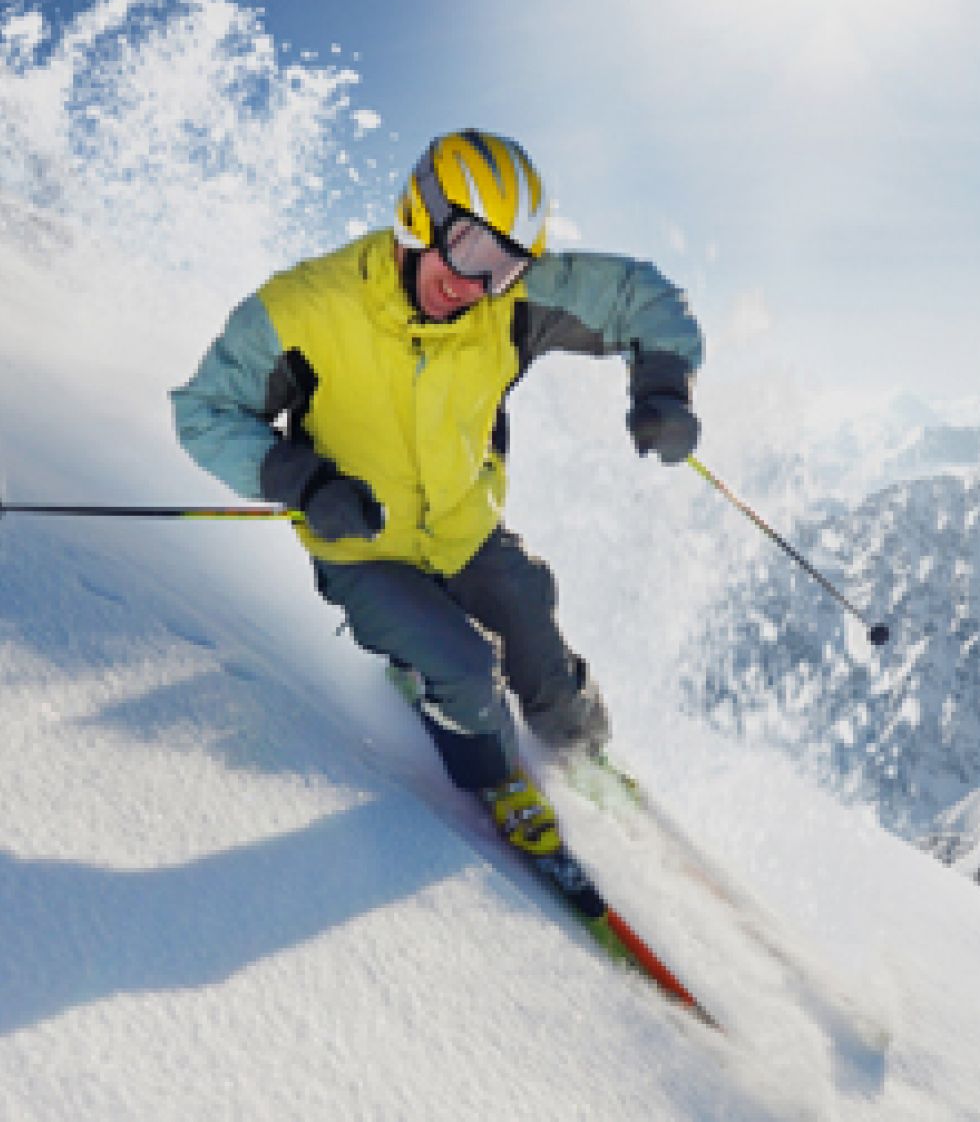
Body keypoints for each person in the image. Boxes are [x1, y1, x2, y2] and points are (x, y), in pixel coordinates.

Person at [171, 129, 703, 858]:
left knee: (534, 632)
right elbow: (204, 412)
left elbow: (640, 294)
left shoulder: (506, 303)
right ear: (418, 213)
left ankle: (580, 747)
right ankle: (496, 778)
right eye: (469, 248)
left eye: (506, 264)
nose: (475, 283)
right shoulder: (306, 308)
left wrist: (664, 387)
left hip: (465, 530)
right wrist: (303, 481)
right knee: (465, 670)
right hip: (361, 545)